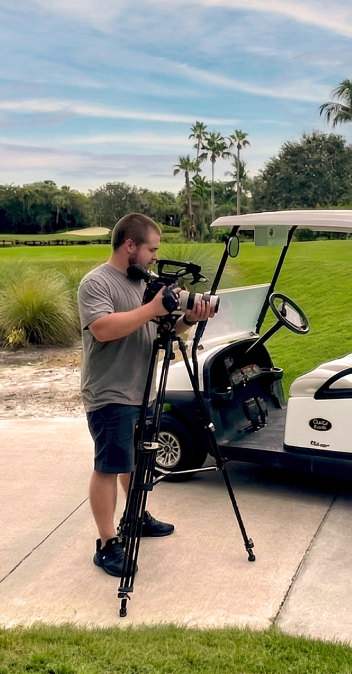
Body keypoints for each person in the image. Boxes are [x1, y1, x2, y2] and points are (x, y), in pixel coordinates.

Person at [78, 213, 216, 577]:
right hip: (110, 392)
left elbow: (162, 329)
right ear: (130, 246)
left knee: (137, 460)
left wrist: (190, 319)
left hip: (143, 390)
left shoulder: (142, 283)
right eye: (151, 249)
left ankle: (135, 517)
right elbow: (103, 329)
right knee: (110, 466)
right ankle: (107, 543)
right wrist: (153, 307)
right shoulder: (96, 283)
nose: (155, 256)